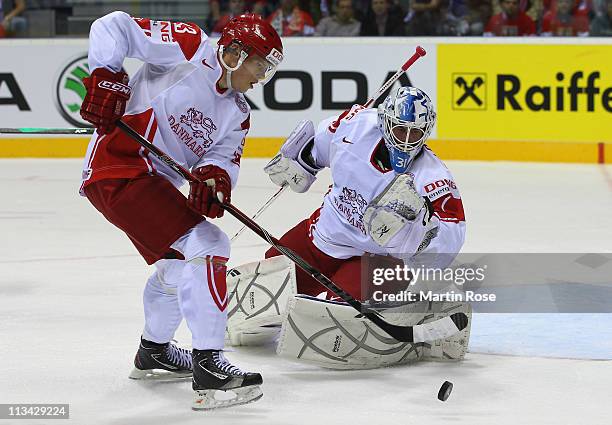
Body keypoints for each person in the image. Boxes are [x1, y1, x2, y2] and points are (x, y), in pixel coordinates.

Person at [78, 11, 283, 410]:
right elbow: (113, 25)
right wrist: (106, 75)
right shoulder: (191, 46)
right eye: (261, 65)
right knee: (209, 243)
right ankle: (209, 366)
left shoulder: (238, 113)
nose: (261, 77)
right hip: (119, 165)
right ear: (236, 53)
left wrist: (215, 180)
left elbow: (225, 161)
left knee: (176, 265)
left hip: (150, 182)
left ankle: (153, 351)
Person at [224, 87, 470, 369]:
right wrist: (302, 160)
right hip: (324, 237)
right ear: (385, 123)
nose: (406, 141)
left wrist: (416, 239)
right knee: (265, 283)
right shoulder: (356, 127)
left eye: (415, 134)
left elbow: (453, 232)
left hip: (379, 260)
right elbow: (321, 142)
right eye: (400, 130)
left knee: (335, 318)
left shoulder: (433, 178)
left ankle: (420, 309)